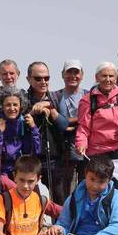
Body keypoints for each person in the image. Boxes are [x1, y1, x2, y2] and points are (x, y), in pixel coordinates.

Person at [26, 61, 69, 203]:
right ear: (29, 79)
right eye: (38, 78)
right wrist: (33, 111)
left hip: (55, 159)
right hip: (31, 160)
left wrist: (50, 108)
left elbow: (64, 125)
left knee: (59, 200)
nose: (43, 82)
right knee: (32, 201)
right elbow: (18, 124)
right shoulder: (22, 100)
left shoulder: (56, 98)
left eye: (46, 78)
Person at [76, 62, 118, 161]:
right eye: (104, 76)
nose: (108, 80)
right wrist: (81, 143)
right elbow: (83, 126)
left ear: (116, 78)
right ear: (97, 78)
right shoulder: (87, 100)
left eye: (111, 76)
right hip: (96, 151)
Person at [50, 59, 88, 199]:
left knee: (86, 188)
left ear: (82, 75)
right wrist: (78, 119)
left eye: (76, 72)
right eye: (69, 72)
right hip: (63, 151)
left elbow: (90, 119)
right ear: (62, 75)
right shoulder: (55, 96)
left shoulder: (89, 95)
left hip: (86, 150)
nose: (73, 76)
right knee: (64, 193)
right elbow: (56, 121)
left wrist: (66, 120)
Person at [0, 86, 41, 177]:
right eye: (8, 105)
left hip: (20, 171)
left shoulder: (24, 122)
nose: (12, 108)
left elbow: (35, 150)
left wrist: (33, 128)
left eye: (15, 105)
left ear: (21, 106)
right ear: (1, 106)